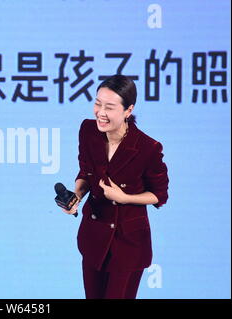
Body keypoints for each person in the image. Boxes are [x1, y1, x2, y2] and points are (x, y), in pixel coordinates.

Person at [62, 74, 169, 299]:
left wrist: (125, 197)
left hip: (128, 243)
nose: (100, 112)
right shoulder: (88, 131)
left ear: (128, 111)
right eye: (97, 103)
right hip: (94, 235)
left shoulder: (148, 148)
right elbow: (85, 172)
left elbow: (159, 195)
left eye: (109, 107)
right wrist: (76, 196)